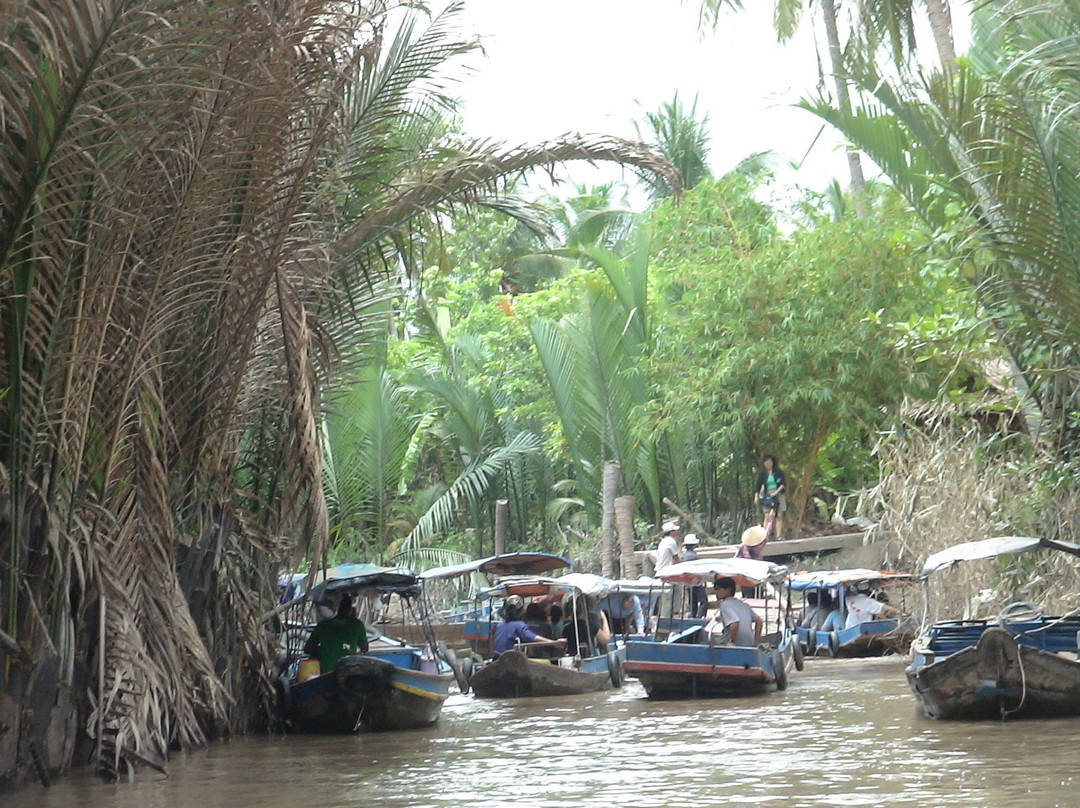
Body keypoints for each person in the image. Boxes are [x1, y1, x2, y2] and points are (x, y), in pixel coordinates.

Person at [303, 593, 369, 674]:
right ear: (351, 609)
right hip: (347, 673)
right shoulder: (357, 624)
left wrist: (325, 650)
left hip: (325, 673)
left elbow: (307, 649)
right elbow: (365, 648)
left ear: (338, 608)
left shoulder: (323, 625)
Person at [493, 595, 564, 658]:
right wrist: (554, 643)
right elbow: (533, 638)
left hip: (496, 660)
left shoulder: (499, 626)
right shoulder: (519, 625)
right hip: (510, 662)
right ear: (521, 611)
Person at [706, 576, 763, 647]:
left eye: (718, 589)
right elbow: (759, 621)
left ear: (728, 590)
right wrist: (756, 642)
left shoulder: (724, 605)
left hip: (736, 646)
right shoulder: (743, 604)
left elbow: (735, 622)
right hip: (749, 644)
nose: (716, 593)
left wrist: (730, 641)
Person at [755, 454, 787, 540]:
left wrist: (776, 492)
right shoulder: (763, 474)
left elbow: (783, 484)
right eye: (766, 462)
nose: (768, 463)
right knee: (767, 515)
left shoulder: (778, 472)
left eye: (769, 461)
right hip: (767, 495)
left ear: (773, 462)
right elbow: (758, 486)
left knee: (779, 515)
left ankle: (779, 535)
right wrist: (756, 496)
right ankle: (765, 536)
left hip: (779, 493)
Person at [655, 520, 682, 618]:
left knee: (669, 595)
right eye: (675, 531)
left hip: (662, 571)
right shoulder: (671, 541)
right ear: (671, 532)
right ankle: (668, 617)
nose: (677, 532)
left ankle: (670, 615)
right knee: (669, 596)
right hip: (668, 572)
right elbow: (676, 558)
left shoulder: (663, 542)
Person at [734, 524, 768, 598]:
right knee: (755, 595)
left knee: (749, 595)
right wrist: (770, 522)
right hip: (753, 574)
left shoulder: (742, 547)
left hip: (749, 575)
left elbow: (735, 559)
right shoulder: (759, 545)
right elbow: (767, 534)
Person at [680, 534, 708, 618]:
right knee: (703, 601)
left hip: (687, 582)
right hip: (696, 582)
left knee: (693, 602)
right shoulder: (694, 556)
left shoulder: (683, 556)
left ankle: (693, 616)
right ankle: (700, 617)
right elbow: (698, 570)